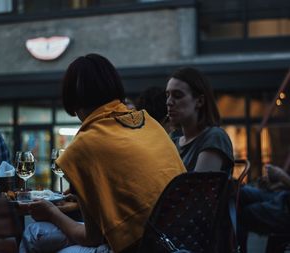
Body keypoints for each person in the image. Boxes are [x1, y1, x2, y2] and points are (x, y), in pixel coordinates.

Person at [19, 53, 186, 253]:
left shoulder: (83, 146)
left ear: (72, 97)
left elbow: (92, 238)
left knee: (34, 233)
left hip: (138, 247)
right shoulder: (150, 123)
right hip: (178, 238)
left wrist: (51, 212)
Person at [166, 67, 234, 174]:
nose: (169, 102)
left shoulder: (214, 137)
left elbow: (199, 188)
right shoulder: (173, 142)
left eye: (177, 95)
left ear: (200, 101)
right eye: (167, 95)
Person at [239, 164, 290, 253]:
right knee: (239, 192)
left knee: (244, 213)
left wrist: (281, 175)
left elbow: (284, 177)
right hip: (281, 195)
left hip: (286, 209)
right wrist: (272, 185)